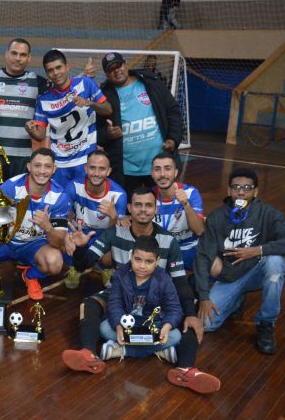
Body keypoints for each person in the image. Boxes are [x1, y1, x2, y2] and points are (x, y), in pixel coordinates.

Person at [63, 186, 220, 394]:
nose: (143, 210)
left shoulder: (168, 241)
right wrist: (81, 247)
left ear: (155, 209)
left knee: (189, 317)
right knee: (88, 304)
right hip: (121, 292)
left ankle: (185, 369)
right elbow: (83, 264)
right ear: (129, 208)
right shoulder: (114, 232)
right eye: (138, 205)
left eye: (148, 205)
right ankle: (89, 354)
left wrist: (190, 314)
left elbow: (181, 282)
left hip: (156, 300)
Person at [195, 168, 285, 354]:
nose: (241, 192)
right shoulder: (217, 217)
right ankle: (237, 299)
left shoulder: (268, 213)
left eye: (247, 187)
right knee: (206, 325)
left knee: (275, 262)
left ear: (255, 192)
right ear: (229, 191)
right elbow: (203, 258)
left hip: (257, 272)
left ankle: (266, 323)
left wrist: (259, 250)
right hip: (230, 277)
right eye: (236, 187)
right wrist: (204, 297)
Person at [0, 39, 96, 196]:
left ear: (29, 58)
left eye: (23, 55)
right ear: (6, 54)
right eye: (14, 53)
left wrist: (84, 75)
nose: (18, 58)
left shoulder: (37, 82)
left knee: (19, 206)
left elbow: (63, 88)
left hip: (22, 159)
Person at [0, 148, 71, 301]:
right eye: (37, 165)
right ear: (29, 167)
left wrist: (48, 226)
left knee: (54, 263)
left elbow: (58, 242)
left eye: (47, 166)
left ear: (54, 169)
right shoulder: (11, 187)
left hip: (34, 245)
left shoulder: (60, 196)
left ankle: (29, 275)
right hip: (5, 242)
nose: (42, 171)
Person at [64, 236, 182, 367]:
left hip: (152, 325)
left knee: (175, 335)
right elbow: (115, 303)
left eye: (149, 261)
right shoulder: (121, 275)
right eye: (138, 259)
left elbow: (174, 308)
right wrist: (118, 326)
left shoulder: (164, 279)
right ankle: (159, 350)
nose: (142, 266)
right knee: (105, 328)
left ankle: (122, 350)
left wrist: (167, 327)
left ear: (157, 261)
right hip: (127, 326)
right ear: (131, 256)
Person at [98, 52, 183, 195]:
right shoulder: (103, 95)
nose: (117, 71)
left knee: (162, 209)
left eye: (119, 65)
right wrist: (108, 134)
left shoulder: (150, 83)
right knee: (131, 212)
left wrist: (173, 139)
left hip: (159, 166)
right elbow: (97, 131)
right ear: (107, 75)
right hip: (126, 171)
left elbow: (173, 111)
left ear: (125, 65)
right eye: (111, 69)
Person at [26, 49, 112, 185]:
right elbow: (40, 135)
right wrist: (31, 130)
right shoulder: (44, 100)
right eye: (50, 70)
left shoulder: (85, 84)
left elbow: (108, 109)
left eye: (59, 67)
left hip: (86, 159)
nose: (55, 73)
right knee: (63, 205)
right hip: (60, 163)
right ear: (47, 74)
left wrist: (89, 103)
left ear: (67, 67)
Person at [64, 150, 127, 289]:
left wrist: (113, 216)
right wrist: (67, 236)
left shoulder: (119, 194)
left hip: (103, 235)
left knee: (111, 254)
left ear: (109, 171)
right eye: (92, 168)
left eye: (102, 169)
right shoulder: (73, 186)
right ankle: (76, 267)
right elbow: (64, 215)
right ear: (86, 168)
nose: (96, 173)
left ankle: (105, 267)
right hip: (79, 232)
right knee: (63, 242)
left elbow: (116, 232)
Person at [150, 151, 204, 272]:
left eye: (167, 169)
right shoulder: (148, 196)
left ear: (175, 172)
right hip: (161, 250)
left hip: (188, 247)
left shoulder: (190, 193)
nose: (162, 174)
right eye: (157, 169)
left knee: (215, 268)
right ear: (152, 173)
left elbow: (199, 230)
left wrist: (186, 204)